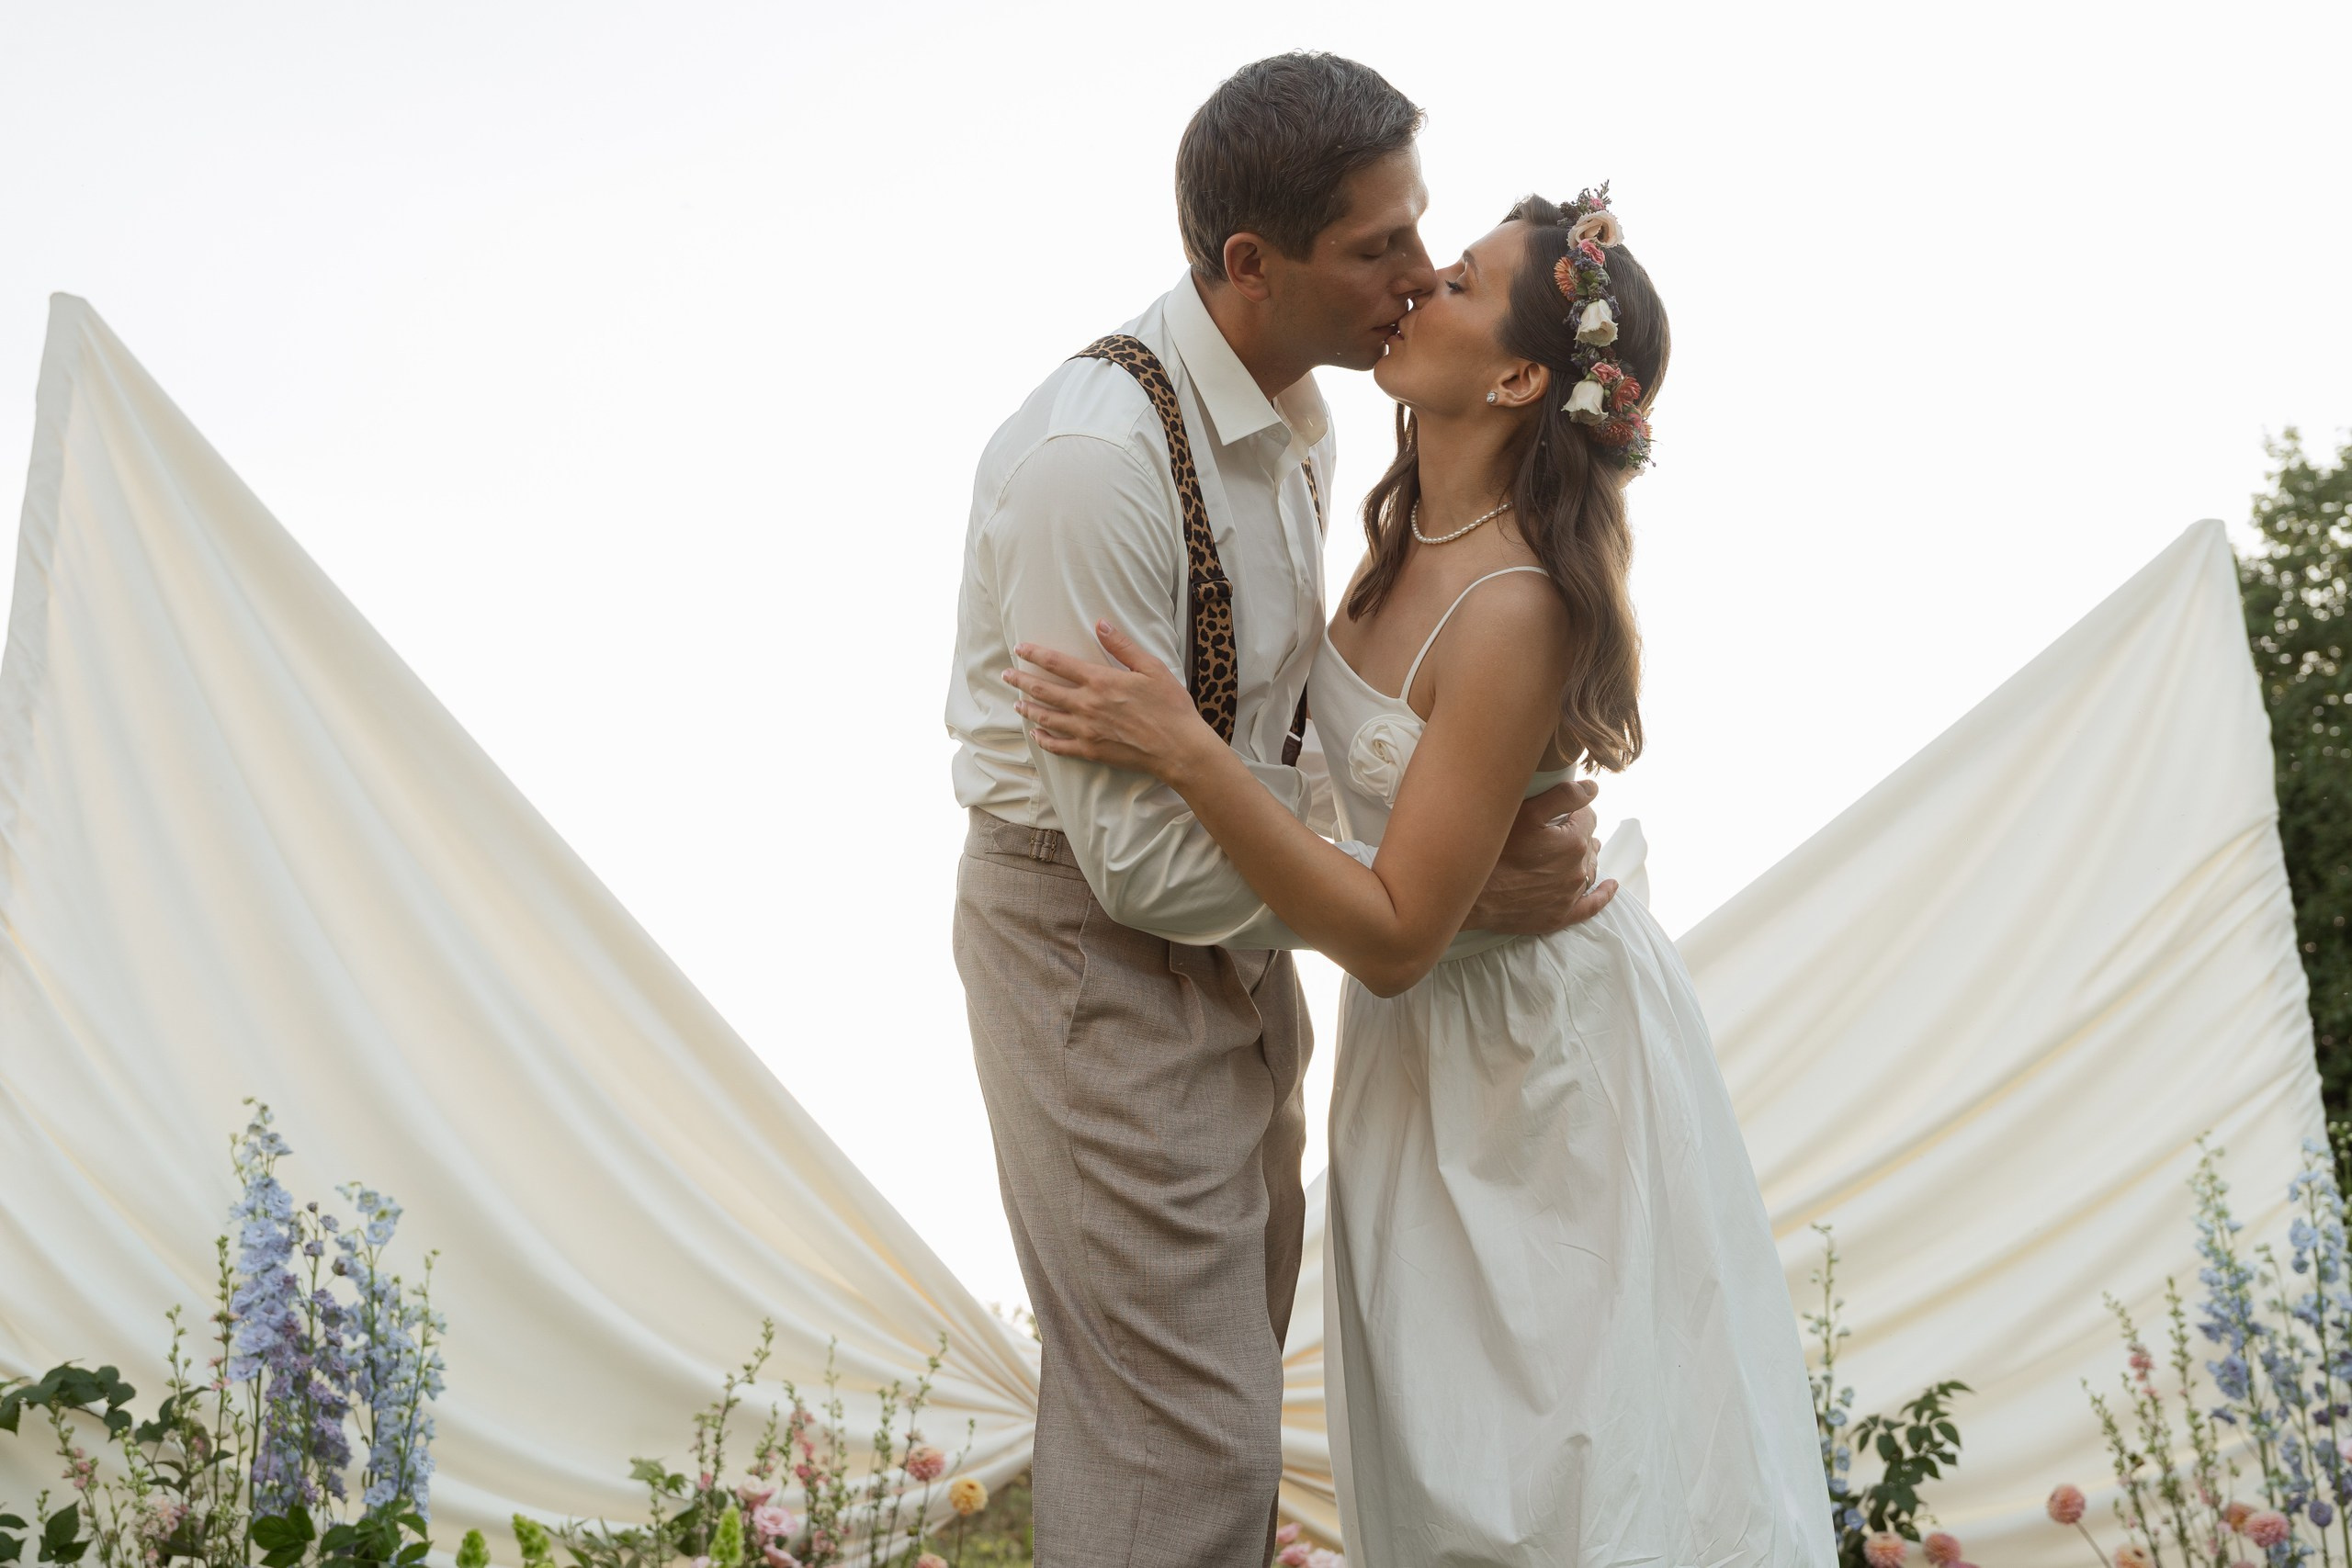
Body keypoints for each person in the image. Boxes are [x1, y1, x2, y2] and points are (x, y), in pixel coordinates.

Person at [1003, 187, 1836, 1565]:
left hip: (1534, 1063)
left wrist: (1183, 754)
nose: (1417, 287)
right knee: (1436, 1462)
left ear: (1517, 375)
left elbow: (1392, 934)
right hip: (1417, 1056)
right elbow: (1376, 837)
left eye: (1456, 281)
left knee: (1550, 1468)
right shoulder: (1392, 536)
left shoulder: (1515, 604)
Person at [944, 54, 1612, 1568]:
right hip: (1088, 950)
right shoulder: (1092, 466)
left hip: (1242, 936)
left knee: (1214, 1391)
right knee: (1186, 1437)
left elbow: (1270, 737)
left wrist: (1388, 864)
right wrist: (1398, 899)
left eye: (1422, 230)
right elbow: (1128, 857)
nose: (1422, 270)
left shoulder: (1302, 419)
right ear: (1254, 265)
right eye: (1380, 247)